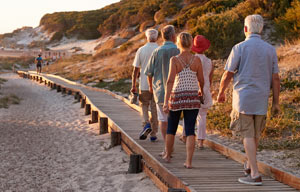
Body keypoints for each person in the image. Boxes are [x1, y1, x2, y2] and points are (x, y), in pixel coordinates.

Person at [217, 14, 280, 185]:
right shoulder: (270, 49)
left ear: (245, 29)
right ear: (261, 29)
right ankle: (248, 164)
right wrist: (276, 102)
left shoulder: (239, 48)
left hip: (244, 98)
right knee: (254, 135)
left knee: (247, 135)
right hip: (261, 98)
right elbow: (276, 78)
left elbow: (228, 73)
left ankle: (254, 174)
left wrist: (221, 91)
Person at [163, 32, 204, 168]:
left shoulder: (174, 60)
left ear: (178, 44)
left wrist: (165, 101)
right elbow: (201, 80)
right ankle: (189, 162)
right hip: (192, 97)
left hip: (177, 96)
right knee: (190, 129)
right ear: (191, 43)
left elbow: (170, 81)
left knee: (171, 128)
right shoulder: (197, 60)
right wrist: (201, 91)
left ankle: (168, 155)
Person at [144, 25, 180, 155]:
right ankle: (171, 145)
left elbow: (149, 72)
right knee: (174, 119)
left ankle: (167, 147)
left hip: (160, 90)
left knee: (163, 119)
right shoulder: (178, 51)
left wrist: (150, 87)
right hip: (177, 90)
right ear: (173, 36)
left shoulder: (157, 52)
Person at [181, 35, 213, 149]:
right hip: (204, 89)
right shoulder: (209, 61)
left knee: (188, 114)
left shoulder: (191, 59)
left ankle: (185, 136)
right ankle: (200, 142)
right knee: (202, 116)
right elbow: (210, 79)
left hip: (192, 88)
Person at [131, 29, 159, 141]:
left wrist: (133, 84)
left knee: (144, 106)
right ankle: (153, 134)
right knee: (154, 109)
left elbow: (135, 69)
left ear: (146, 37)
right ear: (156, 37)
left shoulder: (141, 50)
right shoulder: (159, 49)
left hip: (144, 84)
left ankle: (146, 124)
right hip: (158, 85)